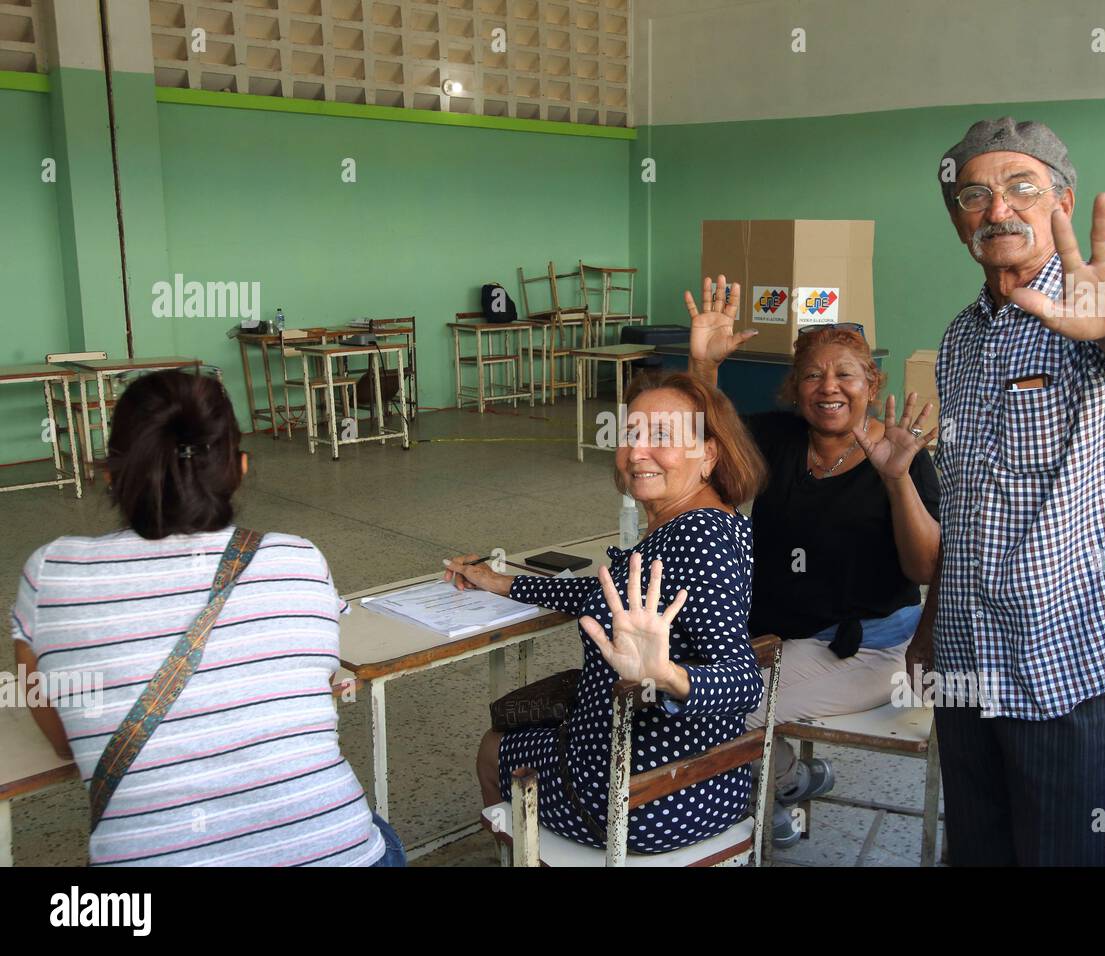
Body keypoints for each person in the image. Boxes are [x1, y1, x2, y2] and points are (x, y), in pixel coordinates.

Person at [909, 116, 1105, 865]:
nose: (997, 209)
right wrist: (933, 620)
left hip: (1066, 650)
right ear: (959, 218)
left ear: (1062, 202)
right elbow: (964, 500)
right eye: (974, 195)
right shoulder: (961, 337)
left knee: (1060, 852)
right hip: (966, 645)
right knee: (976, 850)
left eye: (1021, 188)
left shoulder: (1099, 310)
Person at [10, 369, 404, 867]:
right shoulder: (299, 558)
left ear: (109, 473)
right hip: (342, 856)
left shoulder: (51, 573)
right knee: (379, 834)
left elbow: (63, 740)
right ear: (238, 468)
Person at [444, 371, 767, 854]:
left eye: (663, 437)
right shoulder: (711, 521)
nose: (637, 451)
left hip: (639, 800)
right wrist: (500, 582)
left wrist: (668, 675)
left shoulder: (699, 538)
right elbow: (604, 598)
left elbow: (744, 681)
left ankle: (515, 857)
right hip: (704, 783)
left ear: (709, 455)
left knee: (493, 749)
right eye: (631, 434)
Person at [684, 283, 941, 848]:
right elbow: (697, 438)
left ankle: (760, 798)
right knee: (692, 688)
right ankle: (793, 779)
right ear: (794, 389)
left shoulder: (902, 456)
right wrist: (703, 365)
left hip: (875, 647)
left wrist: (896, 480)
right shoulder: (778, 438)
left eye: (846, 374)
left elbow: (924, 568)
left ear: (871, 385)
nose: (829, 388)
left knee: (725, 708)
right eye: (812, 376)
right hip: (781, 635)